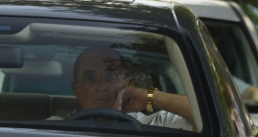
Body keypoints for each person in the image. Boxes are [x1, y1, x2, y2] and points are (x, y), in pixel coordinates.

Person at [65, 46, 194, 129]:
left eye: (111, 75)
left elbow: (208, 117)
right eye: (90, 78)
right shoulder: (56, 127)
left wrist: (148, 96)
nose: (101, 86)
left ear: (127, 83)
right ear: (76, 89)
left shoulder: (156, 123)